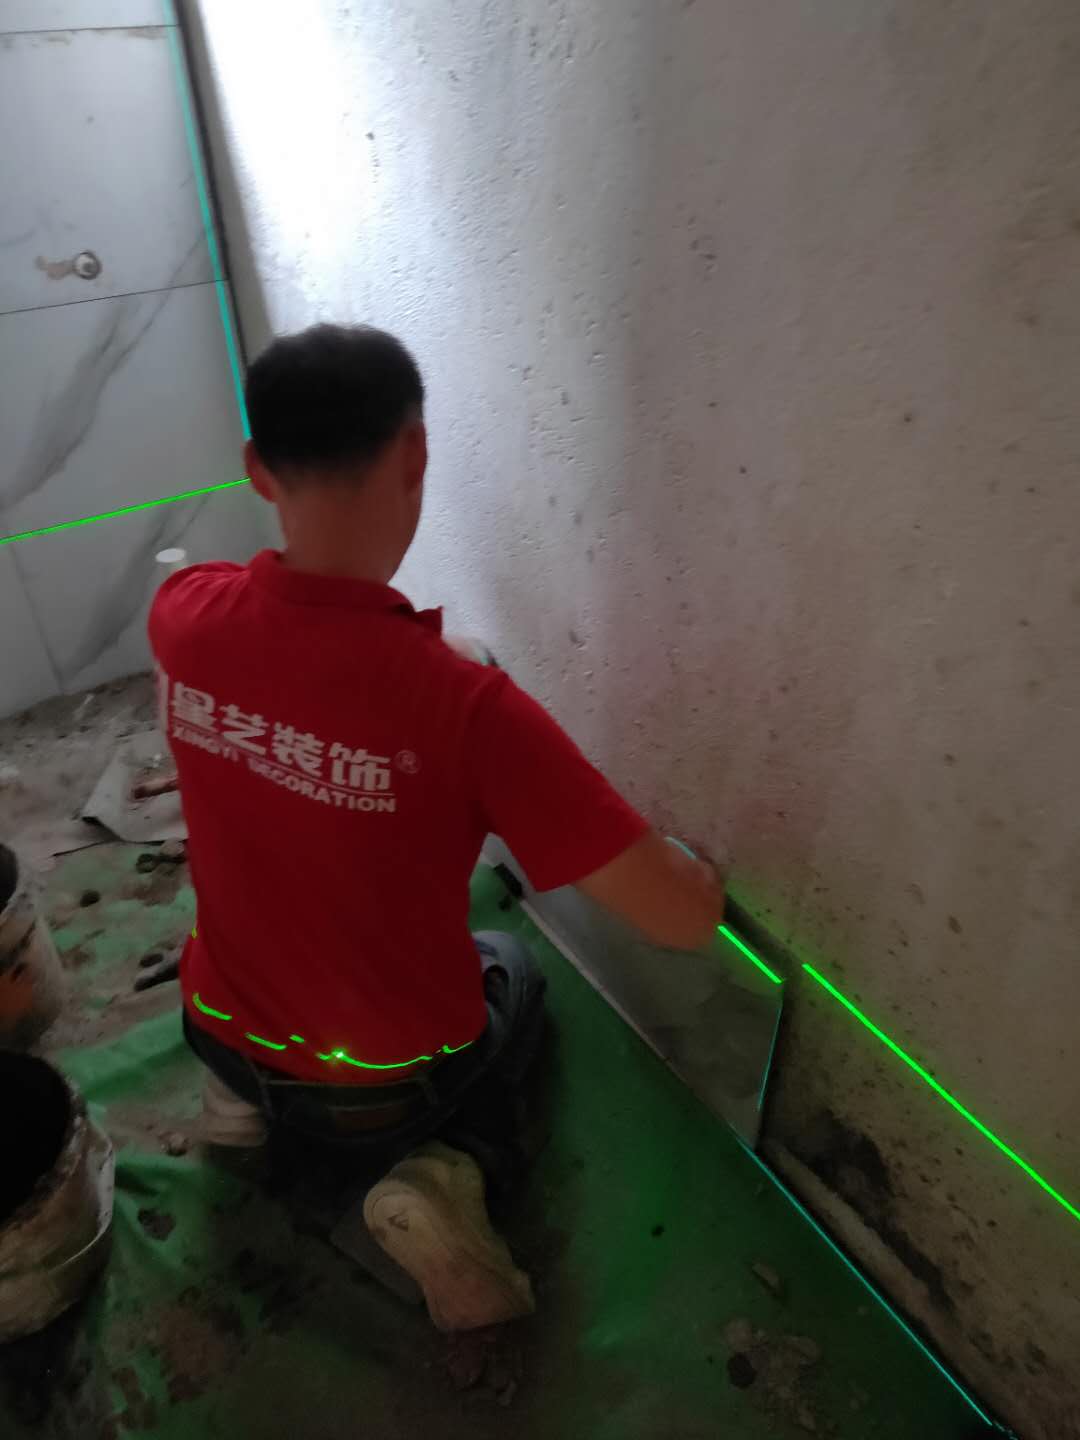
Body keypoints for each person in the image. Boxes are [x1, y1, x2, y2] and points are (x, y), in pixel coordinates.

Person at [149, 323, 724, 1333]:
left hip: (217, 1026)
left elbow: (280, 652)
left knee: (256, 985)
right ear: (415, 454)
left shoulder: (185, 615)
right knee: (513, 969)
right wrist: (696, 875)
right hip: (375, 1091)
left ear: (256, 470)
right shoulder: (467, 713)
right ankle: (448, 1171)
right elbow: (680, 920)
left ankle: (237, 1111)